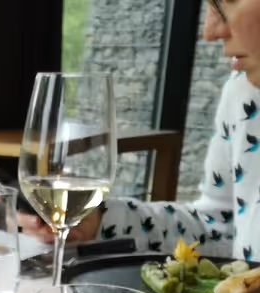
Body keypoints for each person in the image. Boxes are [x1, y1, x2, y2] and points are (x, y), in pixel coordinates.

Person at [20, 0, 260, 260]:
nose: (210, 32)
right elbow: (218, 229)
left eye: (227, 1)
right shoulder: (245, 95)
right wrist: (100, 222)